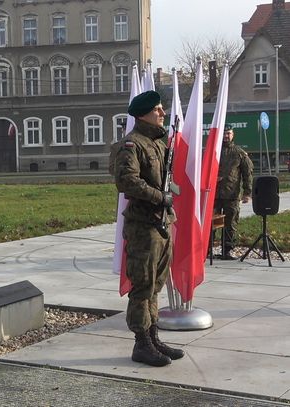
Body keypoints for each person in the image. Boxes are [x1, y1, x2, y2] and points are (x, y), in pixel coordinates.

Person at [113, 90, 184, 367]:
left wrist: (167, 199)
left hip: (162, 222)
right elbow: (126, 182)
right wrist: (159, 197)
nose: (162, 113)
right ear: (143, 113)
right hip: (144, 225)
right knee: (143, 285)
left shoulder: (158, 143)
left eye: (162, 109)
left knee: (156, 284)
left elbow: (167, 180)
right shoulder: (132, 145)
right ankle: (141, 344)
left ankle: (153, 337)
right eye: (157, 109)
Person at [214, 124, 253, 260]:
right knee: (211, 224)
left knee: (231, 224)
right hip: (214, 195)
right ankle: (206, 250)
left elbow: (247, 174)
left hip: (232, 196)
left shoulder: (239, 153)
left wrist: (247, 193)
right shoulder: (213, 152)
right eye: (224, 134)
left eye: (228, 133)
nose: (226, 136)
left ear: (233, 134)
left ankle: (228, 250)